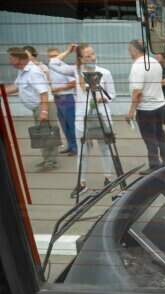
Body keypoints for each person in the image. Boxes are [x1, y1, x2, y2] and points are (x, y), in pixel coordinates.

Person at [49, 43, 116, 197]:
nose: (92, 57)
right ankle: (81, 183)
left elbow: (112, 94)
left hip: (102, 117)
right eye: (87, 55)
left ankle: (108, 179)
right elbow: (53, 63)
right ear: (81, 58)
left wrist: (102, 98)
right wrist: (68, 50)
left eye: (93, 53)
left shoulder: (104, 72)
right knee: (82, 152)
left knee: (105, 149)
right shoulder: (75, 70)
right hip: (81, 119)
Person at [4, 47, 59, 171]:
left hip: (44, 105)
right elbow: (16, 87)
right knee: (41, 134)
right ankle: (47, 159)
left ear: (19, 59)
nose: (9, 61)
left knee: (47, 134)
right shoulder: (23, 71)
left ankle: (51, 162)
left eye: (11, 58)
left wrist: (44, 111)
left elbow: (43, 93)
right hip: (38, 107)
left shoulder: (33, 72)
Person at [126, 39, 165, 175]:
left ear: (134, 50)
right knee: (160, 133)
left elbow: (137, 92)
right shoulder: (154, 62)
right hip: (160, 104)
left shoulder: (138, 66)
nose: (129, 53)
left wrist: (131, 112)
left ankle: (154, 165)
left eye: (129, 50)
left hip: (146, 108)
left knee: (149, 137)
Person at [47, 47, 77, 156]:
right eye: (50, 56)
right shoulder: (50, 69)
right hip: (57, 99)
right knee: (64, 125)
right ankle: (70, 146)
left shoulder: (65, 67)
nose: (53, 58)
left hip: (66, 98)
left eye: (55, 56)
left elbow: (74, 83)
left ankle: (76, 147)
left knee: (71, 124)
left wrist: (57, 89)